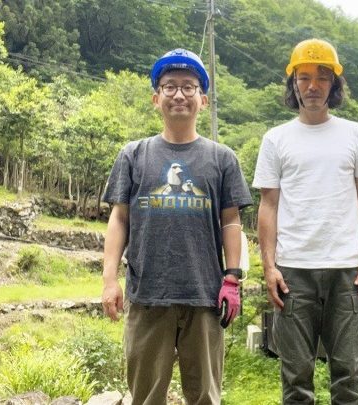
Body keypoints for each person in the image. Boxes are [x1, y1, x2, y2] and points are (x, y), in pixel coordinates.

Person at [101, 48, 252, 405]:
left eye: (188, 86)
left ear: (203, 99)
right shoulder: (134, 154)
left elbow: (231, 221)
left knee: (204, 396)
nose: (179, 95)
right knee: (145, 395)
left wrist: (233, 279)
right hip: (147, 294)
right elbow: (119, 218)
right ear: (157, 98)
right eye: (169, 87)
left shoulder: (222, 158)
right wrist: (109, 279)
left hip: (204, 296)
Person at [253, 38, 358, 405]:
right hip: (294, 271)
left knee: (349, 374)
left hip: (348, 271)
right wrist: (269, 265)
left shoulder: (354, 133)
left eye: (322, 78)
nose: (312, 86)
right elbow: (269, 205)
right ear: (293, 83)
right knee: (295, 377)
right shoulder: (276, 139)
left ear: (334, 85)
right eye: (304, 77)